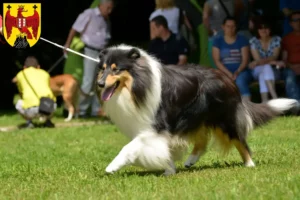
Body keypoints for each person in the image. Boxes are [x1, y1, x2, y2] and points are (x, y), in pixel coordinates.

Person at [64, 0, 113, 118]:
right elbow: (74, 28)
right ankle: (81, 110)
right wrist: (67, 44)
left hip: (103, 52)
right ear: (101, 6)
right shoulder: (89, 14)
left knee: (100, 81)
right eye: (108, 8)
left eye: (111, 8)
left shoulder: (106, 19)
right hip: (90, 51)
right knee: (88, 80)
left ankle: (96, 110)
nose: (110, 11)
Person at [212, 17, 252, 101]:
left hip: (241, 71)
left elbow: (245, 60)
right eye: (228, 26)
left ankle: (247, 107)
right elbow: (217, 61)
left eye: (233, 26)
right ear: (223, 27)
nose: (231, 29)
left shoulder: (242, 40)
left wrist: (237, 71)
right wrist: (229, 74)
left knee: (240, 81)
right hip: (223, 71)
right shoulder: (217, 41)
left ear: (236, 27)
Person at [12, 56, 56, 128]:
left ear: (24, 67)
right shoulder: (45, 73)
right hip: (48, 108)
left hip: (30, 111)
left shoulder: (21, 74)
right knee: (52, 100)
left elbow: (20, 92)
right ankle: (48, 121)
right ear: (38, 67)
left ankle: (29, 122)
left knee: (19, 103)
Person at [249, 21, 280, 102]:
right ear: (257, 30)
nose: (263, 30)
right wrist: (272, 62)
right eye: (260, 28)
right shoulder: (253, 41)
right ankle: (275, 98)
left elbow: (275, 56)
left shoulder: (276, 39)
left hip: (274, 70)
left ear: (270, 29)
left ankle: (265, 102)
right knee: (266, 67)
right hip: (257, 70)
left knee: (264, 73)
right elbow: (258, 61)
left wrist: (272, 62)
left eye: (266, 28)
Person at [276, 11, 300, 101]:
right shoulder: (286, 39)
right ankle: (297, 107)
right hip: (290, 68)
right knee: (290, 77)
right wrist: (292, 67)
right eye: (295, 20)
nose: (298, 22)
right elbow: (284, 59)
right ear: (290, 23)